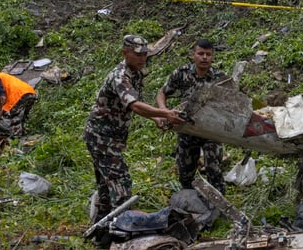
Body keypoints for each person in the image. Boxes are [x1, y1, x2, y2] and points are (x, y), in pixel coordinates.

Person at [83, 34, 186, 226]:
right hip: (101, 137)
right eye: (138, 54)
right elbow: (135, 105)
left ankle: (102, 229)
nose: (142, 58)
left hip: (110, 137)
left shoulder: (135, 74)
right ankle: (124, 227)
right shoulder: (120, 76)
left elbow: (134, 105)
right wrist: (165, 114)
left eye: (145, 54)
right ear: (125, 53)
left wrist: (156, 117)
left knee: (106, 185)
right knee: (121, 182)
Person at [156, 39, 228, 193]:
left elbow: (231, 102)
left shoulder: (220, 78)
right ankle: (190, 201)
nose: (204, 58)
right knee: (185, 171)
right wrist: (164, 112)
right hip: (187, 129)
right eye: (200, 53)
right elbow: (162, 93)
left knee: (213, 168)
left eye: (208, 54)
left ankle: (218, 202)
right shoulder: (181, 74)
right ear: (193, 55)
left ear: (213, 56)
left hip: (211, 130)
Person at [0, 71, 37, 139]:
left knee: (15, 121)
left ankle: (16, 141)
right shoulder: (2, 76)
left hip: (18, 95)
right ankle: (24, 136)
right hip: (30, 92)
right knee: (22, 119)